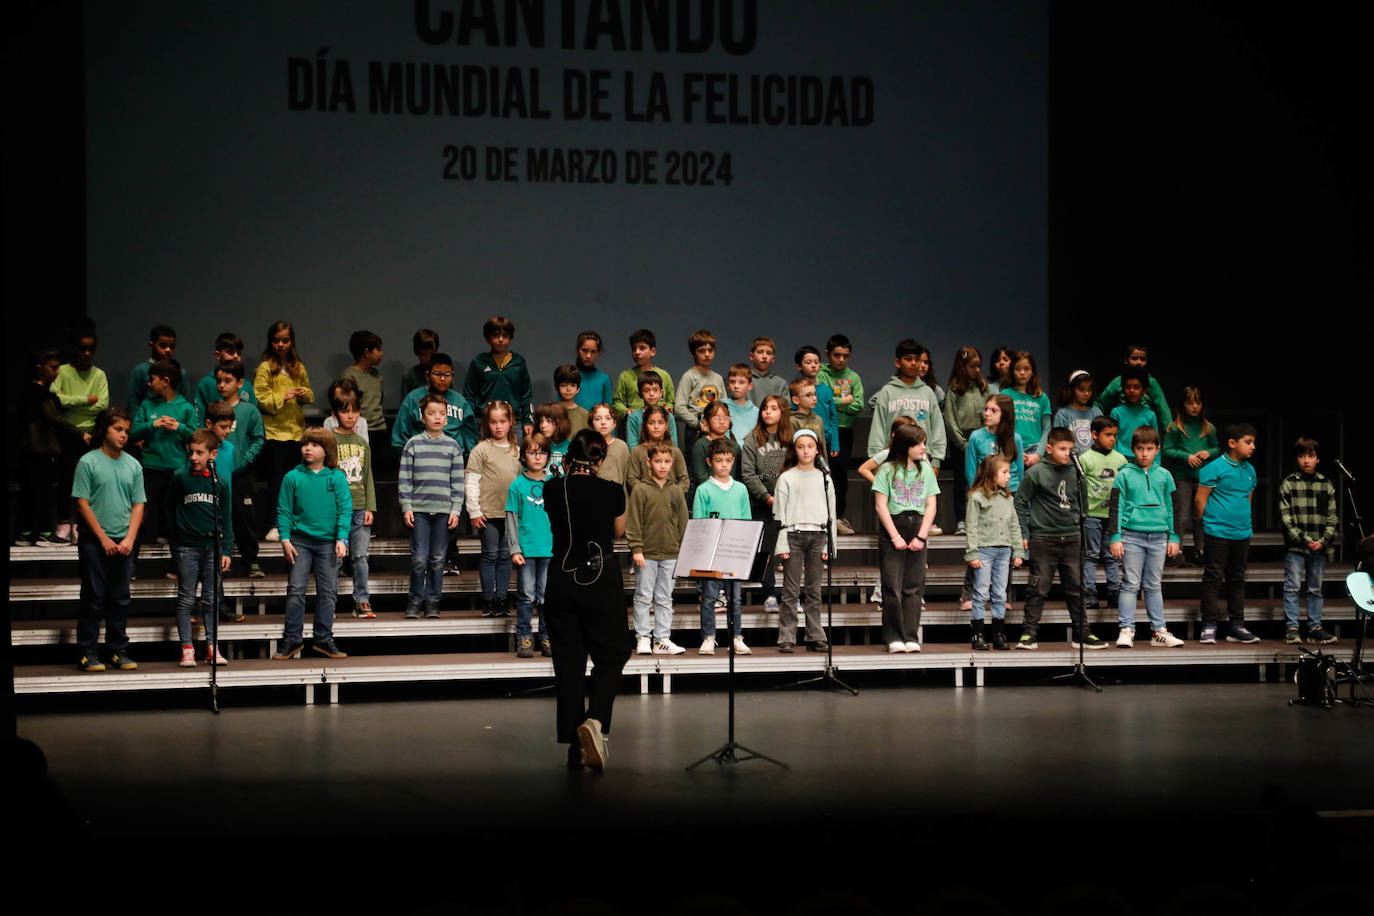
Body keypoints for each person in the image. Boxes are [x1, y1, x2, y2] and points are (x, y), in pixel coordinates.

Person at [542, 429, 630, 771]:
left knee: (568, 663)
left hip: (561, 579)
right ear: (600, 460)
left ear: (568, 456)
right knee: (613, 653)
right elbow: (618, 532)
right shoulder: (611, 490)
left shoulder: (553, 488)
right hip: (600, 579)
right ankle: (595, 721)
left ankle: (573, 748)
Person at [1014, 427, 1104, 649]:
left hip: (1072, 537)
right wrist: (1024, 533)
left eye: (1071, 449)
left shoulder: (1077, 471)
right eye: (1062, 449)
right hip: (1043, 538)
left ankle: (1082, 632)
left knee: (1076, 587)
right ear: (1049, 448)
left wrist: (1079, 529)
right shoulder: (1036, 472)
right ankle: (1029, 632)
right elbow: (1020, 502)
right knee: (1038, 587)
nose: (1067, 453)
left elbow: (1083, 504)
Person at [72, 407, 145, 671]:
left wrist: (129, 539)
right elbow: (82, 503)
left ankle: (117, 650)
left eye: (127, 430)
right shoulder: (88, 462)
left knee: (120, 597)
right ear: (104, 430)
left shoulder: (133, 464)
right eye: (118, 429)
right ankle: (87, 652)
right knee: (93, 597)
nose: (124, 435)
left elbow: (138, 505)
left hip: (124, 541)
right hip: (95, 541)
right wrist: (103, 538)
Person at [272, 427, 351, 660]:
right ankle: (292, 639)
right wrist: (285, 540)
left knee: (328, 592)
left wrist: (341, 538)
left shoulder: (337, 477)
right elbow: (284, 510)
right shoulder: (292, 477)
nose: (308, 448)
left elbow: (345, 509)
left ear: (326, 450)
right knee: (296, 590)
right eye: (305, 444)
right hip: (300, 542)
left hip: (328, 543)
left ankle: (323, 638)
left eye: (315, 445)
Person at [1108, 427, 1186, 648]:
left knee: (1153, 584)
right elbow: (1117, 506)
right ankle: (1126, 630)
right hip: (1131, 536)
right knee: (1130, 583)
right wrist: (1116, 536)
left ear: (1157, 450)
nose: (1144, 453)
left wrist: (1174, 536)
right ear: (1133, 449)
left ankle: (1159, 631)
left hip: (1159, 537)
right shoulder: (1124, 474)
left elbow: (1174, 508)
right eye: (1140, 449)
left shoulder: (1165, 475)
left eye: (1149, 449)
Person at [168, 429, 233, 666]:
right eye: (191, 452)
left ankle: (212, 646)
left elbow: (226, 516)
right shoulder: (180, 478)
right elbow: (170, 508)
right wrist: (175, 541)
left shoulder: (220, 482)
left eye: (200, 452)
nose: (194, 457)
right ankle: (187, 647)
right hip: (187, 547)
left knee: (211, 598)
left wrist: (226, 549)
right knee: (186, 598)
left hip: (212, 547)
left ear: (213, 454)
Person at [873, 424, 939, 653]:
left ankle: (911, 635)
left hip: (917, 526)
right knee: (892, 585)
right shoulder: (887, 469)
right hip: (894, 525)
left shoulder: (926, 469)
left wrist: (922, 536)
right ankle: (893, 636)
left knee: (914, 586)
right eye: (918, 444)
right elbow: (881, 506)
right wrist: (895, 537)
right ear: (905, 446)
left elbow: (931, 504)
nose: (923, 448)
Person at [399, 394, 465, 619]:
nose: (437, 417)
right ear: (422, 416)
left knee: (438, 560)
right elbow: (405, 478)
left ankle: (433, 602)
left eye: (442, 414)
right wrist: (406, 505)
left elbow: (458, 481)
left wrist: (456, 509)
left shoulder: (453, 446)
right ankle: (415, 601)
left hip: (443, 512)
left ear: (447, 418)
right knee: (419, 559)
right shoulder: (413, 444)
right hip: (419, 511)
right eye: (431, 413)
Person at [1196, 422, 1260, 645]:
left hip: (1242, 533)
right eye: (1248, 442)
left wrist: (1243, 523)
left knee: (1237, 578)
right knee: (1214, 576)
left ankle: (1237, 626)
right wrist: (1212, 524)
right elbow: (1200, 500)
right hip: (1218, 532)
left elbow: (1247, 500)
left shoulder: (1250, 470)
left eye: (1253, 442)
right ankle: (1209, 624)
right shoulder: (1214, 468)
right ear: (1232, 443)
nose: (1253, 446)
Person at [773, 428, 837, 653]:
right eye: (801, 447)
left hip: (818, 536)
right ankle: (787, 636)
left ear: (817, 449)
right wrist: (781, 543)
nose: (806, 451)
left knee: (814, 589)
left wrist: (830, 544)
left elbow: (831, 515)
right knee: (790, 590)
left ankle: (814, 634)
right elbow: (779, 514)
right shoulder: (786, 478)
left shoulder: (825, 478)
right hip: (793, 536)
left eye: (810, 447)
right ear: (794, 450)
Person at [17, 348, 88, 547]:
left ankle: (28, 532)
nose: (57, 372)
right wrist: (82, 433)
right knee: (41, 492)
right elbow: (54, 417)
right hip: (38, 450)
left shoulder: (42, 392)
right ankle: (42, 532)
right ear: (40, 368)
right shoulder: (37, 392)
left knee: (34, 491)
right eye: (53, 367)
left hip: (35, 449)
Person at [627, 441, 690, 655]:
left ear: (672, 463)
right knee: (643, 595)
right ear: (648, 462)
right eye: (658, 461)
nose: (662, 466)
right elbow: (634, 522)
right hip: (647, 554)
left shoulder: (675, 491)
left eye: (667, 461)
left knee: (665, 597)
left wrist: (684, 551)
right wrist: (637, 549)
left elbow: (683, 522)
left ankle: (662, 638)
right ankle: (643, 637)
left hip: (671, 553)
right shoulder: (640, 489)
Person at [692, 437, 753, 655]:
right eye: (719, 460)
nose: (724, 465)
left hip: (734, 553)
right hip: (711, 554)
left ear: (733, 461)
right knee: (709, 597)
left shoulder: (740, 489)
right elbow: (699, 524)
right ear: (710, 462)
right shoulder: (703, 490)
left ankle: (736, 636)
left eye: (728, 460)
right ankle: (709, 637)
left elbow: (746, 520)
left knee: (735, 598)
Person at [254, 320, 313, 542]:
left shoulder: (298, 366)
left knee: (298, 480)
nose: (281, 345)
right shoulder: (265, 368)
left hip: (296, 432)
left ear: (291, 342)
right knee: (277, 481)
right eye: (277, 340)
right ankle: (275, 523)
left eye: (285, 340)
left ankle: (296, 522)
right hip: (274, 433)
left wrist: (302, 393)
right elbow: (260, 398)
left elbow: (309, 394)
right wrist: (283, 397)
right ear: (271, 342)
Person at [130, 358, 197, 549]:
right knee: (143, 513)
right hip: (151, 468)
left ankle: (178, 567)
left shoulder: (185, 408)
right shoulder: (147, 405)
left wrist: (179, 427)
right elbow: (132, 433)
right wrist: (153, 424)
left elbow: (196, 438)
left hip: (176, 469)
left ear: (165, 381)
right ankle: (132, 564)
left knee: (175, 516)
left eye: (152, 379)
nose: (149, 384)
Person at [1279, 437, 1339, 645]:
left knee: (1315, 588)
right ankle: (1292, 628)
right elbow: (1286, 517)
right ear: (1297, 458)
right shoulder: (1289, 483)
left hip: (1320, 546)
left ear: (1317, 459)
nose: (1306, 460)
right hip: (1296, 546)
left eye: (1311, 456)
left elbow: (1332, 516)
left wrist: (1323, 540)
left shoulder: (1326, 484)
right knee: (1293, 586)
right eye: (1302, 456)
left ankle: (1315, 627)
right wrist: (1305, 540)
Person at [51, 329, 108, 544]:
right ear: (74, 349)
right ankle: (64, 523)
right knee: (66, 477)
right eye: (82, 349)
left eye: (90, 349)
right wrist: (86, 399)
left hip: (92, 433)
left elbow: (102, 403)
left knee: (90, 480)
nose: (86, 353)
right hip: (67, 431)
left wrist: (71, 400)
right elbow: (56, 400)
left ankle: (83, 523)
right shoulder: (63, 372)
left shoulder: (98, 374)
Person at [210, 359, 266, 578]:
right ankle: (217, 562)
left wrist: (242, 462)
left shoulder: (249, 411)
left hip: (242, 475)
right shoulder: (213, 409)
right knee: (217, 515)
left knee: (244, 517)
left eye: (228, 380)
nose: (222, 385)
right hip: (216, 472)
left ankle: (251, 560)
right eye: (219, 381)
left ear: (240, 382)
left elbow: (258, 439)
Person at [467, 401, 522, 616]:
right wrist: (474, 510)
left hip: (510, 513)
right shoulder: (481, 449)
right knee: (490, 555)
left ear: (510, 423)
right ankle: (489, 599)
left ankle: (502, 598)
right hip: (488, 513)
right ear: (486, 424)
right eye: (493, 422)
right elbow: (471, 481)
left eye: (502, 421)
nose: (498, 426)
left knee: (506, 556)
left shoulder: (517, 451)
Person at [964, 455, 1023, 650]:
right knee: (981, 592)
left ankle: (999, 634)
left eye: (1009, 472)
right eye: (1004, 472)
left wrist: (1018, 551)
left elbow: (1014, 525)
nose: (1008, 476)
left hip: (1004, 550)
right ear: (991, 474)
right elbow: (971, 526)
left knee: (1000, 592)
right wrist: (972, 553)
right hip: (984, 550)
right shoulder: (976, 497)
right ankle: (978, 635)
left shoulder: (1007, 498)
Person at [741, 394, 791, 612]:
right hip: (763, 503)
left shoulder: (791, 438)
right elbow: (748, 474)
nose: (768, 412)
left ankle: (792, 595)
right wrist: (768, 498)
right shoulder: (752, 439)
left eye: (773, 408)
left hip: (790, 504)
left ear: (782, 412)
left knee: (791, 550)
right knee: (766, 549)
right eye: (764, 408)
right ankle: (769, 592)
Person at [506, 433, 554, 657]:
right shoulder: (517, 485)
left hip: (549, 550)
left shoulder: (552, 484)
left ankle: (546, 636)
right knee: (526, 595)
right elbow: (512, 519)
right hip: (526, 550)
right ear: (523, 456)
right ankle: (524, 636)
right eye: (532, 452)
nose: (537, 457)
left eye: (542, 452)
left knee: (547, 596)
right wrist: (515, 548)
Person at [331, 386, 376, 618]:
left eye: (355, 411)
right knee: (336, 559)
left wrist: (370, 506)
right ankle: (330, 602)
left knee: (360, 556)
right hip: (336, 509)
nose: (350, 416)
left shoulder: (362, 443)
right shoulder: (329, 441)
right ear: (335, 414)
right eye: (345, 411)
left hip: (359, 507)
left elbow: (367, 475)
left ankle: (362, 600)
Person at [866, 339, 946, 467]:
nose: (914, 363)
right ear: (898, 362)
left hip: (923, 459)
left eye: (917, 359)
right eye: (908, 359)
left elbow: (938, 429)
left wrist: (936, 462)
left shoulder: (928, 392)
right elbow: (878, 428)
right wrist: (876, 459)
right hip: (893, 459)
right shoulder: (888, 392)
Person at [1163, 385, 1218, 565]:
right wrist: (1186, 457)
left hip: (1203, 478)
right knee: (1182, 515)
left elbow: (1217, 448)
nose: (1194, 406)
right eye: (1190, 402)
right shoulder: (1175, 427)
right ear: (1182, 405)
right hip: (1183, 476)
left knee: (1201, 514)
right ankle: (1177, 550)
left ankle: (1200, 550)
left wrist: (1208, 453)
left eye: (1198, 402)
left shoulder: (1208, 428)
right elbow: (1167, 450)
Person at [819, 334, 864, 535]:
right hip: (823, 431)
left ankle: (838, 517)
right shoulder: (821, 374)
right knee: (820, 476)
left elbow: (859, 406)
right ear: (828, 354)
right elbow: (823, 401)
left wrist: (837, 404)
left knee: (840, 477)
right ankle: (820, 517)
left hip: (844, 431)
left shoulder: (853, 377)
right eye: (836, 355)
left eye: (845, 356)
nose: (840, 360)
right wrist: (844, 401)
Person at [392, 351, 478, 455]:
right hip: (421, 459)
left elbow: (469, 436)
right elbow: (399, 438)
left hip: (454, 460)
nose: (442, 379)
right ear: (427, 376)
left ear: (452, 375)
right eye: (437, 374)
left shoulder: (460, 401)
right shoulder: (413, 399)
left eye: (447, 374)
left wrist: (469, 460)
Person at [1080, 416, 1127, 609]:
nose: (1112, 439)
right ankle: (1090, 592)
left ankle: (1113, 591)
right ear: (1094, 435)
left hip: (1114, 515)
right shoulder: (1085, 458)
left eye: (1114, 435)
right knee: (1091, 554)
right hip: (1091, 513)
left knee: (1112, 555)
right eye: (1108, 435)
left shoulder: (1120, 459)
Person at [943, 345, 989, 535]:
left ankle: (982, 519)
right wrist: (963, 444)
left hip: (982, 442)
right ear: (963, 367)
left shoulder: (983, 389)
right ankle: (962, 520)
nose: (977, 370)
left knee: (983, 480)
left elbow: (990, 413)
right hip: (962, 443)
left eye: (978, 366)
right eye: (972, 366)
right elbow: (951, 420)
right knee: (962, 480)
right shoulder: (954, 391)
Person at [463, 315, 533, 436]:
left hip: (513, 422)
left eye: (505, 336)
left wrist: (528, 421)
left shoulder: (518, 363)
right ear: (488, 338)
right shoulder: (479, 362)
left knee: (513, 455)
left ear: (510, 338)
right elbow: (469, 395)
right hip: (484, 422)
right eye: (496, 336)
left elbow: (526, 395)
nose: (500, 339)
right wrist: (471, 422)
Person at [342, 329, 389, 468]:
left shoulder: (377, 375)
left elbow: (379, 400)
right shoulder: (349, 375)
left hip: (379, 429)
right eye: (378, 350)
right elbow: (346, 405)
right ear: (367, 352)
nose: (381, 354)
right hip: (360, 430)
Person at [1096, 343, 1171, 429]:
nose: (1139, 362)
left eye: (1142, 359)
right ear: (1126, 360)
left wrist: (1171, 435)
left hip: (1144, 428)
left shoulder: (1152, 383)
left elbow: (1164, 412)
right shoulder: (1118, 382)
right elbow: (1100, 404)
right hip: (1122, 426)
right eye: (1134, 358)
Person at [675, 328, 725, 452]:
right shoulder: (689, 377)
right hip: (695, 431)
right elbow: (679, 407)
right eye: (702, 351)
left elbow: (724, 407)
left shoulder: (718, 379)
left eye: (710, 350)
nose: (707, 354)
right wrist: (699, 425)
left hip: (716, 430)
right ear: (694, 353)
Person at [612, 328, 674, 420]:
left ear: (652, 351)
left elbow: (671, 401)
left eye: (642, 348)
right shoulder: (625, 376)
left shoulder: (664, 375)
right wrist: (626, 411)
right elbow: (616, 402)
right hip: (635, 422)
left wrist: (668, 408)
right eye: (634, 349)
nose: (637, 352)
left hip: (658, 423)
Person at [625, 405, 690, 494]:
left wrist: (674, 493)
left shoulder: (675, 452)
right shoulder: (637, 451)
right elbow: (632, 479)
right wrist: (645, 493)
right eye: (651, 423)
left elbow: (684, 479)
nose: (656, 426)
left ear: (666, 425)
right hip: (646, 502)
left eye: (660, 422)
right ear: (645, 426)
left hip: (670, 502)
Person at [127, 323, 192, 411]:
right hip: (148, 420)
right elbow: (133, 405)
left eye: (172, 347)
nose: (168, 350)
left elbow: (187, 401)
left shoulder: (180, 372)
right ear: (151, 345)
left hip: (174, 421)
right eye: (163, 346)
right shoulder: (140, 371)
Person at [193, 332, 256, 421]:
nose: (235, 356)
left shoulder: (246, 384)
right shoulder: (206, 383)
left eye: (238, 353)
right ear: (218, 355)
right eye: (230, 352)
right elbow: (200, 417)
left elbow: (253, 416)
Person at [688, 400, 740, 505]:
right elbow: (701, 477)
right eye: (716, 418)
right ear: (706, 421)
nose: (722, 422)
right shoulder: (700, 446)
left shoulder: (734, 446)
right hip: (708, 498)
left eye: (726, 418)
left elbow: (737, 475)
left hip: (731, 497)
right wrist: (719, 493)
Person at [1005, 350, 1051, 466]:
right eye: (1017, 369)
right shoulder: (1004, 395)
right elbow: (1000, 427)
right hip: (1011, 450)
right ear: (1012, 371)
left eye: (1026, 369)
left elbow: (1047, 429)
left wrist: (1038, 454)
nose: (1022, 372)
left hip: (1035, 450)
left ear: (1033, 372)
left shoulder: (1042, 397)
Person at [794, 345, 840, 459]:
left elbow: (833, 418)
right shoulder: (796, 391)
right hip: (803, 441)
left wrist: (835, 443)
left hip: (825, 440)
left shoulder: (826, 390)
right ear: (799, 366)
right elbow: (792, 414)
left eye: (816, 362)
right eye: (808, 362)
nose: (813, 365)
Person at [1108, 367, 1159, 459]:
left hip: (1144, 459)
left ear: (1144, 390)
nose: (1131, 390)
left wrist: (1156, 464)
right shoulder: (1116, 413)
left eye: (1136, 387)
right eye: (1128, 387)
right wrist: (1115, 459)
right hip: (1120, 459)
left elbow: (1155, 441)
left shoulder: (1150, 415)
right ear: (1123, 389)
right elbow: (1112, 438)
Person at [1052, 369, 1102, 455]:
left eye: (1089, 389)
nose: (1086, 393)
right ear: (1071, 390)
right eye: (1081, 389)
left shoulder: (1096, 412)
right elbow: (1058, 442)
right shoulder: (1063, 414)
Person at [624, 371, 679, 448]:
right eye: (647, 391)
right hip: (640, 457)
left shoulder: (668, 416)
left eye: (655, 390)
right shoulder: (633, 417)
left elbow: (673, 444)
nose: (652, 394)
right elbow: (632, 445)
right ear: (640, 394)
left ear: (661, 393)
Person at [572, 331, 614, 413]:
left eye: (593, 352)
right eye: (584, 350)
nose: (588, 356)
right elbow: (561, 408)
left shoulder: (604, 379)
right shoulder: (568, 376)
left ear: (598, 353)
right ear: (578, 350)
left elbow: (608, 410)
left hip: (595, 424)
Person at [590, 403, 630, 486]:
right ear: (591, 424)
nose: (603, 422)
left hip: (617, 495)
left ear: (614, 423)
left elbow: (627, 477)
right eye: (598, 419)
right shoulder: (587, 447)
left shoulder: (622, 446)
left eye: (608, 418)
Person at [722, 363, 758, 449]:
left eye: (741, 382)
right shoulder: (721, 406)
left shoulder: (756, 412)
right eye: (732, 382)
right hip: (725, 455)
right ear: (728, 385)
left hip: (748, 456)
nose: (736, 386)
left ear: (750, 386)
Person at [746, 335, 788, 407]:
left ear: (773, 359)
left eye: (769, 353)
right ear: (751, 356)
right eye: (760, 352)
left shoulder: (781, 384)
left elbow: (785, 411)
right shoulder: (742, 381)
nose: (764, 356)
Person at [532, 402, 571, 476]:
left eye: (548, 421)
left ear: (560, 422)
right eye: (541, 421)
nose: (543, 425)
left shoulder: (570, 447)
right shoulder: (535, 446)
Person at [554, 364, 589, 435]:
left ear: (578, 389)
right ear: (557, 388)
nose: (568, 389)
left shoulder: (584, 414)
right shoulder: (551, 412)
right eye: (563, 385)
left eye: (572, 385)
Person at [405, 328, 440, 395]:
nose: (428, 358)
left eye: (431, 353)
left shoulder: (443, 373)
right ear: (417, 352)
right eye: (423, 354)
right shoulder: (411, 375)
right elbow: (406, 402)